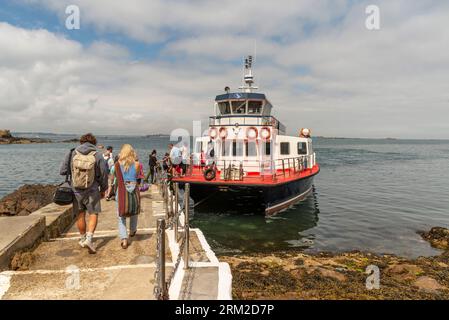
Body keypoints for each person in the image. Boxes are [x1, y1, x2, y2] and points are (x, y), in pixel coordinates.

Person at [60, 133, 108, 254]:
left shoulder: (72, 153)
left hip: (76, 190)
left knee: (80, 214)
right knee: (93, 213)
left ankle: (82, 238)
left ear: (81, 142)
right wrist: (103, 189)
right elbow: (103, 175)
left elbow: (63, 171)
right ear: (94, 143)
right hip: (92, 190)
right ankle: (89, 239)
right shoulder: (97, 155)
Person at [112, 144, 141, 249]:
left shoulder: (116, 164)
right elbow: (136, 177)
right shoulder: (137, 164)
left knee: (121, 217)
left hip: (121, 193)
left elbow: (115, 176)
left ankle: (124, 239)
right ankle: (132, 231)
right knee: (134, 212)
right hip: (133, 192)